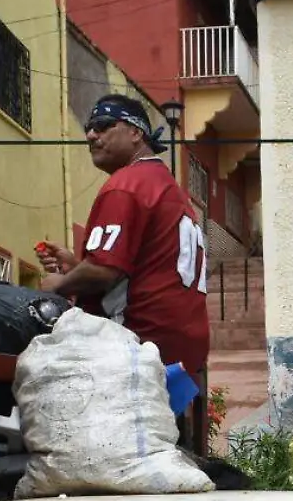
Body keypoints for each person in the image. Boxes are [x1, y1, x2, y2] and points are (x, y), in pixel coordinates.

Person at [36, 95, 210, 383]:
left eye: (103, 125)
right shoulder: (170, 189)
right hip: (183, 352)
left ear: (135, 132)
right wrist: (78, 265)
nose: (91, 135)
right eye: (89, 128)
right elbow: (137, 271)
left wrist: (59, 283)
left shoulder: (127, 184)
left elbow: (103, 271)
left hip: (137, 346)